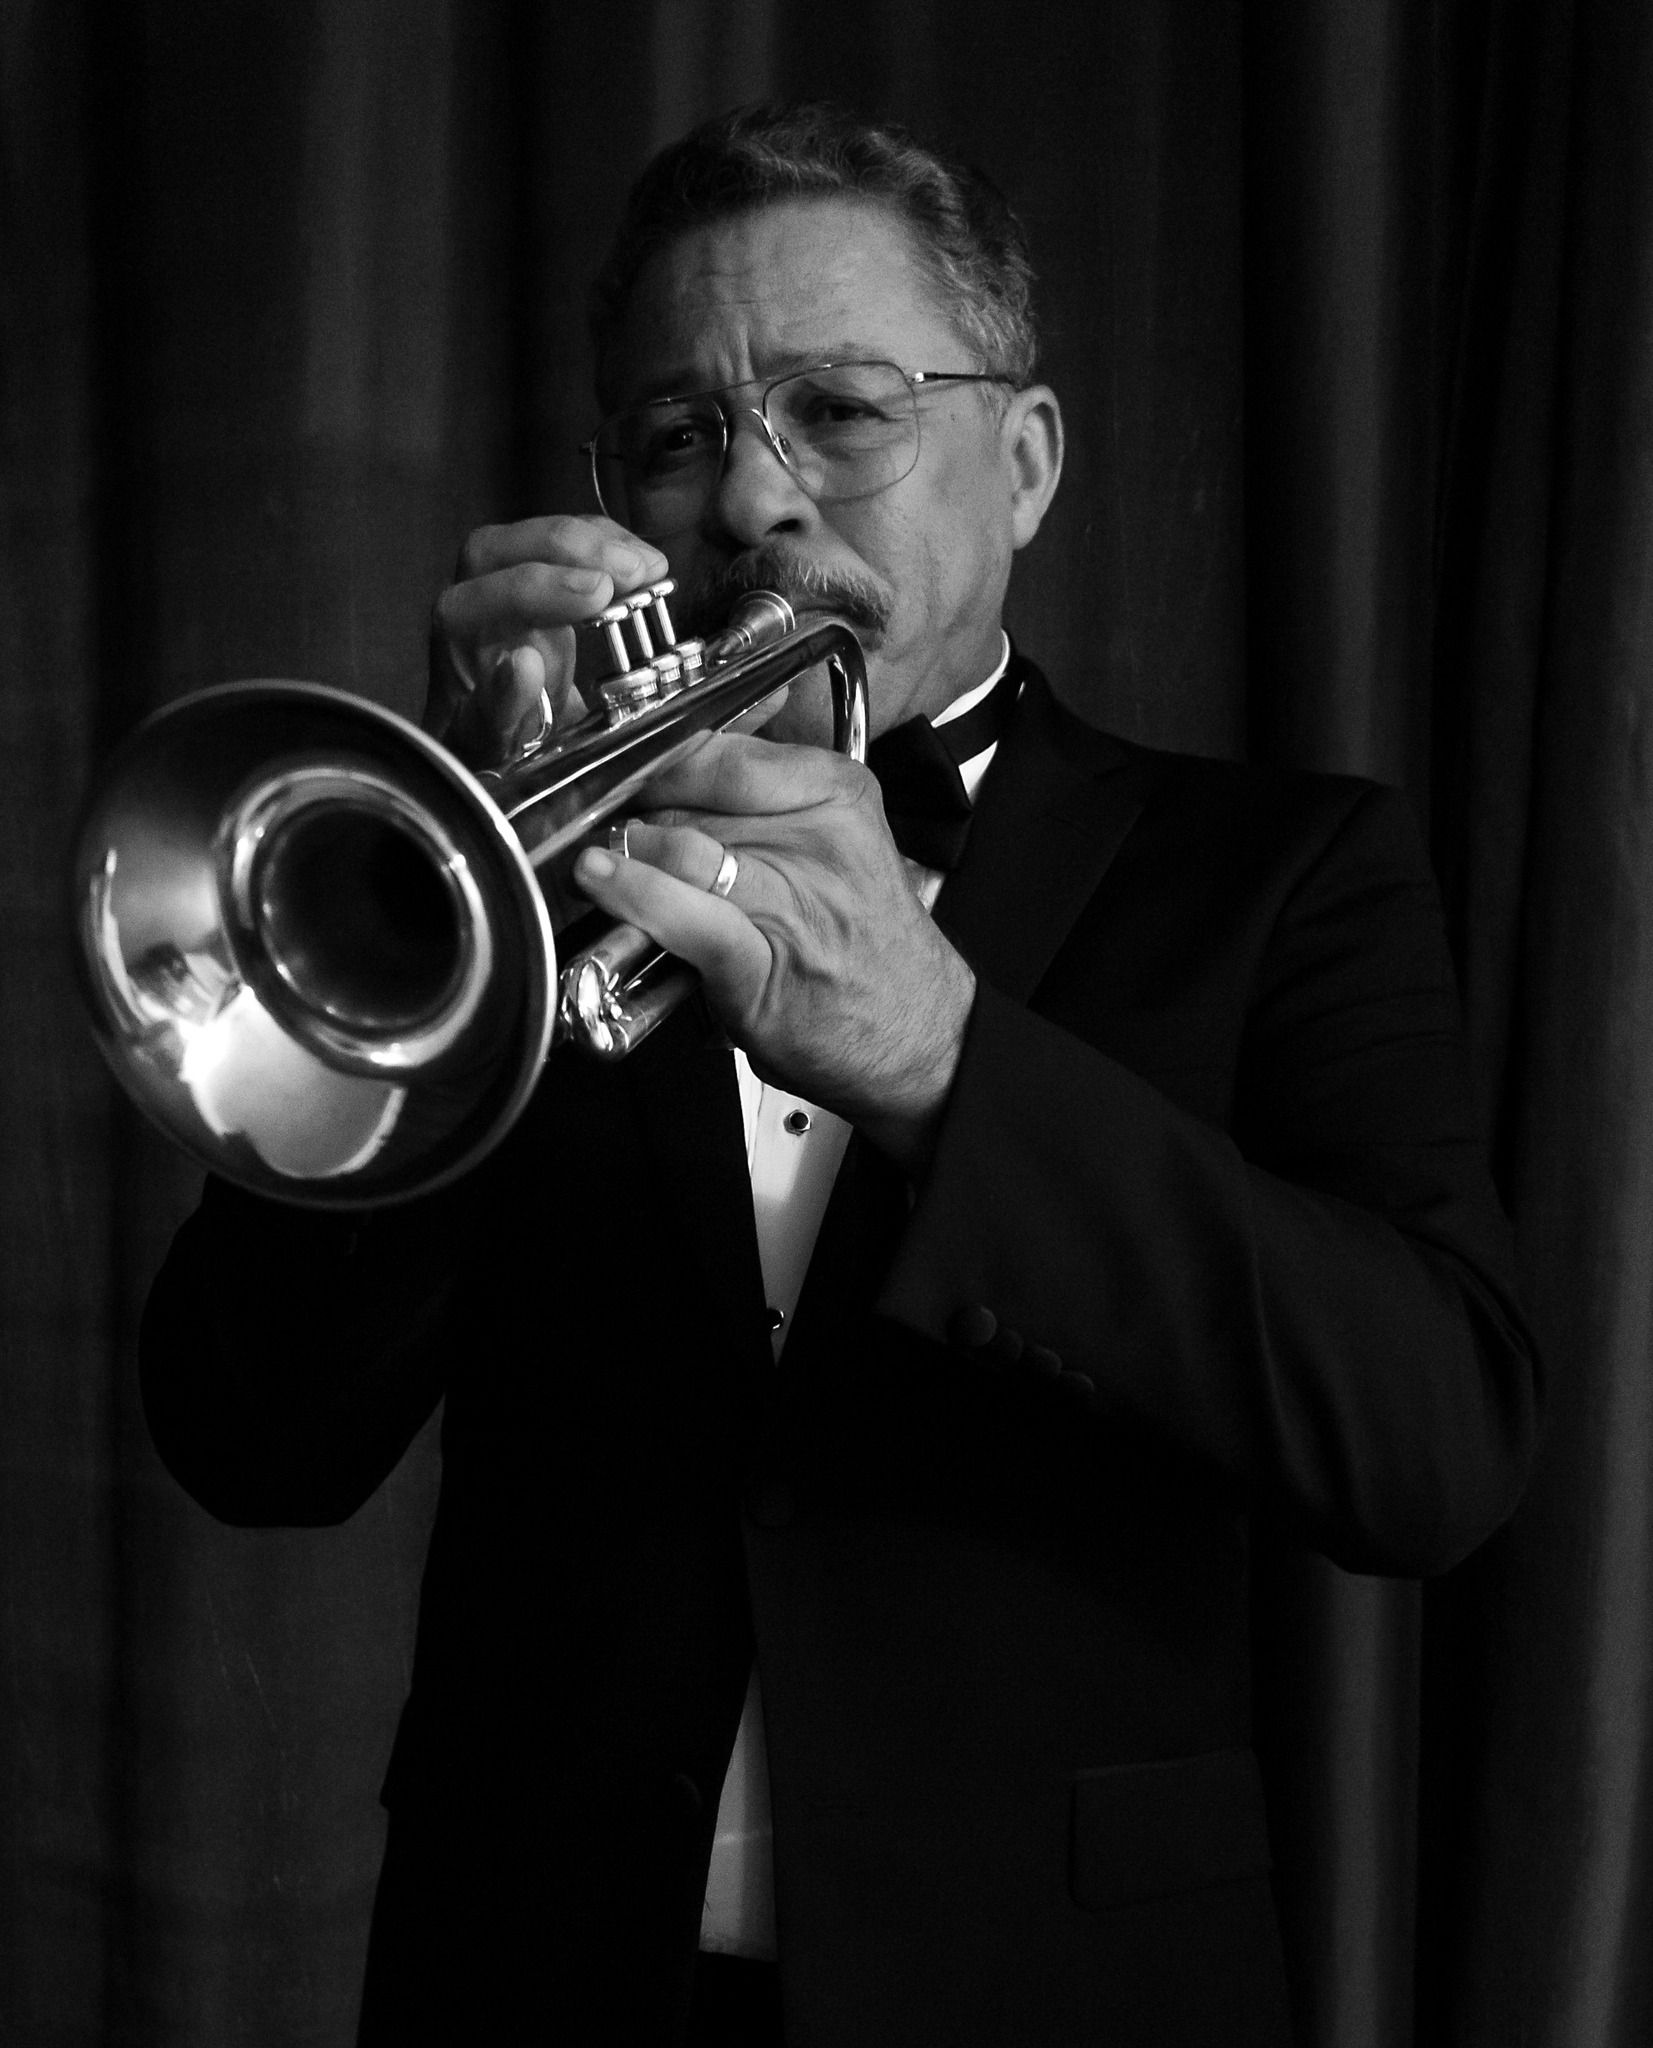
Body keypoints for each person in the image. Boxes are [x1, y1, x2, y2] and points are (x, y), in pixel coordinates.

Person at [139, 102, 1539, 2047]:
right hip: (535, 1976)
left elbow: (1435, 1437)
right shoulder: (512, 898)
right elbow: (247, 1436)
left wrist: (946, 1062)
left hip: (1050, 1985)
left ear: (1022, 458)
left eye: (840, 413)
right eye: (677, 435)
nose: (754, 500)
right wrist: (439, 918)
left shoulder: (1280, 874)